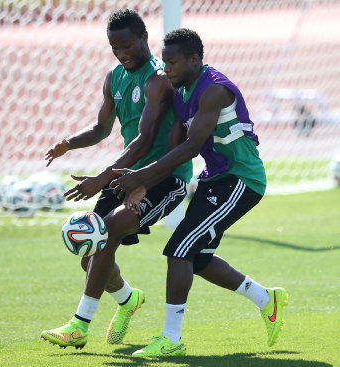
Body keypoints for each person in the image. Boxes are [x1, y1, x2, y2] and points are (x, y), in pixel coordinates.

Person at [111, 28, 288, 357]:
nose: (167, 70)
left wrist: (139, 176)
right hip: (216, 179)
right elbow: (175, 145)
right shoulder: (181, 92)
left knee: (179, 249)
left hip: (241, 179)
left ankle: (171, 339)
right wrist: (145, 183)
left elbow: (192, 147)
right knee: (199, 258)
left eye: (173, 63)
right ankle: (268, 299)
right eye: (164, 63)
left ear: (195, 59)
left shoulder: (214, 90)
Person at [40, 9, 192, 349]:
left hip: (164, 177)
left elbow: (146, 139)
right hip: (126, 173)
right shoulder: (114, 78)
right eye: (115, 48)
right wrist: (69, 143)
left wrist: (100, 179)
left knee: (104, 235)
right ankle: (128, 299)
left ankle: (79, 327)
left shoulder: (159, 80)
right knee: (90, 254)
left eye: (127, 46)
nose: (122, 54)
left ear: (144, 39)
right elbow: (101, 128)